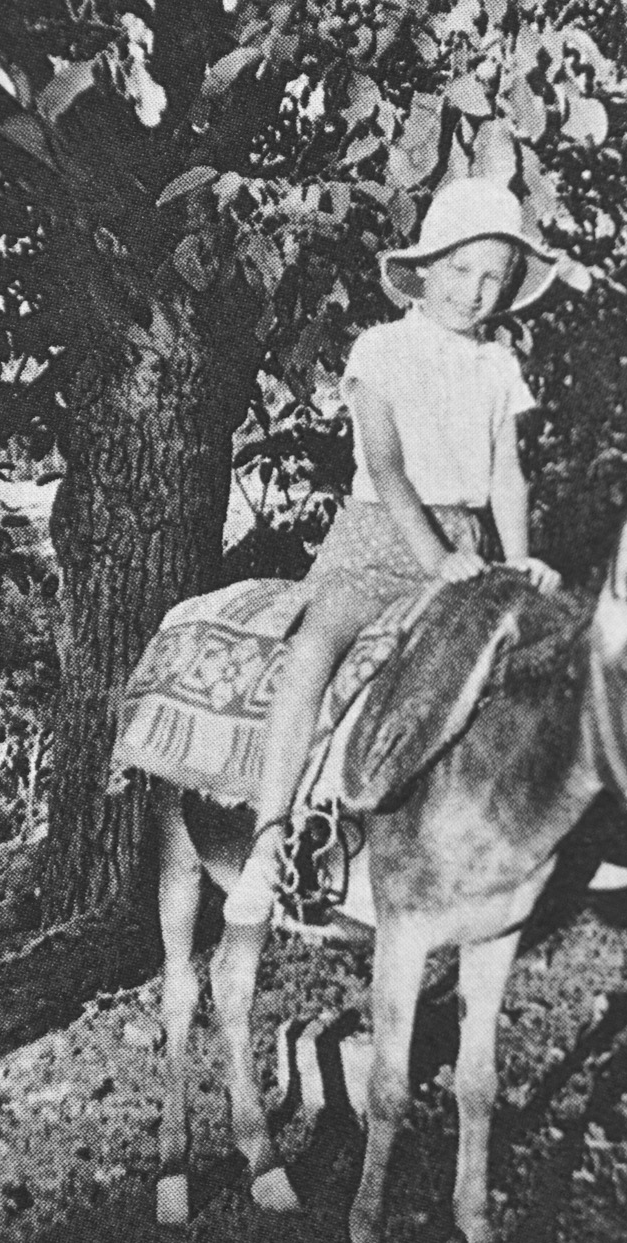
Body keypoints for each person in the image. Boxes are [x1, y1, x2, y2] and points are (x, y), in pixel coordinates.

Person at [224, 176, 560, 932]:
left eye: (493, 277)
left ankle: (536, 838)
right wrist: (432, 557)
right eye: (460, 270)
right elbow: (385, 466)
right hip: (379, 541)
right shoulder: (381, 349)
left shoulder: (497, 366)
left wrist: (518, 560)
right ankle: (268, 838)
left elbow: (507, 473)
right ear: (427, 267)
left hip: (467, 547)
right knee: (317, 649)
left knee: (525, 667)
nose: (474, 291)